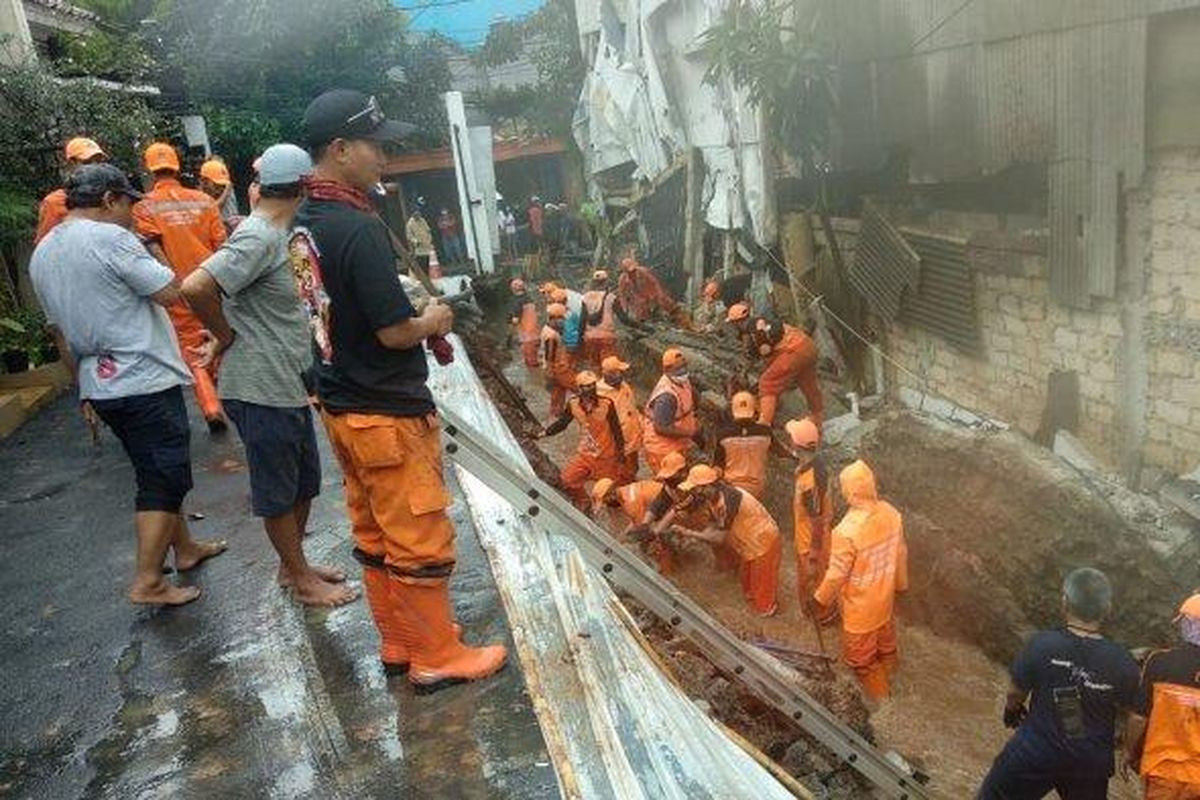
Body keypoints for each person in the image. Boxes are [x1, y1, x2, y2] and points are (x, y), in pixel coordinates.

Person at [289, 88, 506, 690]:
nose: (384, 157)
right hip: (385, 412)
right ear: (339, 149)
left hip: (341, 405)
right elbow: (393, 332)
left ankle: (399, 644)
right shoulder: (356, 229)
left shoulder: (305, 222)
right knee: (419, 537)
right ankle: (437, 655)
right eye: (374, 146)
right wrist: (434, 322)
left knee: (375, 532)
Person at [30, 164, 227, 606]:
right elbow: (169, 291)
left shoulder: (43, 251)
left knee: (151, 467)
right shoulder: (111, 239)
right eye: (127, 204)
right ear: (107, 200)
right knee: (165, 474)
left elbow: (59, 333)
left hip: (99, 381)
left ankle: (186, 548)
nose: (132, 214)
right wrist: (153, 252)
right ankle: (149, 580)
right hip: (141, 377)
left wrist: (81, 385)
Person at [182, 144, 358, 609]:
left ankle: (292, 565)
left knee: (304, 482)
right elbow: (196, 286)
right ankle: (300, 578)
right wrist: (226, 335)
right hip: (259, 386)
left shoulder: (283, 233)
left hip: (286, 382)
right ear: (303, 186)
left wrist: (225, 333)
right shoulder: (257, 235)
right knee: (279, 491)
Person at [979, 568, 1140, 800]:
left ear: (1064, 602)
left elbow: (1015, 692)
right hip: (1088, 762)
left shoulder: (1042, 644)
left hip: (1036, 749)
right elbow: (1132, 710)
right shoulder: (1122, 660)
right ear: (1107, 609)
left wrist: (1012, 711)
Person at [133, 142, 229, 433]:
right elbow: (222, 245)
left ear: (149, 170)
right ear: (177, 166)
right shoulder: (203, 201)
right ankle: (230, 396)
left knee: (191, 348)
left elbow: (152, 246)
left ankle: (212, 407)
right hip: (210, 282)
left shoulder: (143, 206)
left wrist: (172, 279)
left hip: (177, 289)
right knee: (218, 334)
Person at [813, 460, 907, 701]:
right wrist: (901, 584)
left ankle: (886, 704)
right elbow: (900, 552)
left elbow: (836, 574)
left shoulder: (846, 531)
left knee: (861, 662)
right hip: (885, 602)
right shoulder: (892, 513)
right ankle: (896, 679)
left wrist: (819, 599)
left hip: (860, 611)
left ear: (848, 491)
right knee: (886, 648)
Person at [668, 464, 782, 616]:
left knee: (762, 598)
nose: (694, 492)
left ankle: (767, 618)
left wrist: (689, 533)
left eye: (696, 488)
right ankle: (756, 610)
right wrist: (693, 536)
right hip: (748, 543)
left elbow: (719, 538)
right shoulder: (712, 498)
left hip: (763, 543)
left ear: (707, 486)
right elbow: (713, 526)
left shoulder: (730, 499)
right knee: (747, 587)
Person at [1124, 591, 1200, 799]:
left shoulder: (1159, 662)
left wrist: (1129, 753)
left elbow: (1139, 718)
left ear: (1189, 625)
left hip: (1163, 771)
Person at [540, 370, 625, 511]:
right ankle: (585, 501)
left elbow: (617, 431)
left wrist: (621, 454)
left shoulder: (607, 404)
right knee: (566, 481)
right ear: (579, 388)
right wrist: (542, 433)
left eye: (592, 385)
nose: (590, 388)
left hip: (606, 458)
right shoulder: (573, 404)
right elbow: (562, 424)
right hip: (585, 455)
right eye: (586, 386)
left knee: (612, 499)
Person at [735, 308, 823, 427]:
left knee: (767, 383)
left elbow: (764, 355)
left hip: (793, 351)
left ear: (737, 322)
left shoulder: (753, 334)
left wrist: (745, 372)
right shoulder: (764, 320)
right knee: (808, 385)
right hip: (807, 345)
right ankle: (817, 418)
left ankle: (764, 425)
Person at [785, 417, 834, 622]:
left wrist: (813, 556)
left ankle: (823, 616)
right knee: (808, 582)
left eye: (790, 438)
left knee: (813, 581)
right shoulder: (812, 463)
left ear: (796, 444)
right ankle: (814, 612)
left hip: (812, 544)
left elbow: (816, 520)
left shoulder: (810, 482)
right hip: (806, 537)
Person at [35, 137, 107, 244]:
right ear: (70, 164)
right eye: (87, 162)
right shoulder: (54, 202)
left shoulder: (110, 197)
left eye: (98, 162)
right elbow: (45, 245)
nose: (94, 167)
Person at [641, 348, 701, 473]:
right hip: (662, 448)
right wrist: (691, 433)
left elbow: (691, 394)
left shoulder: (681, 380)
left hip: (677, 442)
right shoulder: (667, 397)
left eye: (684, 367)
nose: (683, 371)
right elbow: (661, 428)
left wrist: (695, 416)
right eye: (678, 369)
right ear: (666, 370)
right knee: (670, 480)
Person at [712, 391, 774, 500]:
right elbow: (782, 452)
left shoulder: (723, 435)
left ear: (733, 410)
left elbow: (718, 466)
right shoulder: (766, 432)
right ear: (754, 410)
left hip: (731, 487)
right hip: (757, 488)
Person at [597, 355, 641, 481]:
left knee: (633, 469)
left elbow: (632, 407)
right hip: (618, 446)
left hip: (632, 441)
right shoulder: (599, 396)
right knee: (620, 476)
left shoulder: (624, 386)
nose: (622, 374)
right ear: (609, 374)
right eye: (619, 372)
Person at [590, 476, 665, 539]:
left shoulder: (630, 503)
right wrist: (623, 535)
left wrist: (625, 540)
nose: (606, 504)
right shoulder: (626, 490)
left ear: (611, 494)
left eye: (605, 501)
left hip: (670, 507)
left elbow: (642, 527)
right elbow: (635, 520)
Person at [616, 255, 680, 324]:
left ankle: (676, 314)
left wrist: (659, 293)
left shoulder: (643, 272)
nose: (633, 273)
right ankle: (645, 322)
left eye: (634, 270)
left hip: (650, 292)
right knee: (640, 308)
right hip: (638, 296)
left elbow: (654, 282)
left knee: (663, 300)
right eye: (630, 272)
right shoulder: (622, 279)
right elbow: (622, 295)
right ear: (625, 271)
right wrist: (624, 308)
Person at [541, 302, 575, 419]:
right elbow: (549, 355)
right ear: (553, 318)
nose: (564, 322)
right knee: (579, 389)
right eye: (562, 319)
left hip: (554, 368)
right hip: (559, 368)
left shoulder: (547, 329)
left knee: (557, 394)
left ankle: (555, 416)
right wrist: (550, 373)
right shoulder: (551, 336)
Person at [580, 269, 620, 367]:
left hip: (589, 337)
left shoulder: (585, 297)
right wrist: (642, 327)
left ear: (593, 282)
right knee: (609, 366)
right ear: (606, 281)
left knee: (594, 366)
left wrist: (580, 339)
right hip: (607, 337)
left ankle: (597, 381)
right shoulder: (611, 297)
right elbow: (624, 318)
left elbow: (582, 320)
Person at [199, 157, 241, 229]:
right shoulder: (199, 197)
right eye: (217, 184)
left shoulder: (226, 185)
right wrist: (226, 192)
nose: (220, 188)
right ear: (204, 181)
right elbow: (214, 208)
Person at [509, 278, 540, 369]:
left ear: (513, 289)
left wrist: (510, 326)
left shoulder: (517, 302)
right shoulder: (529, 298)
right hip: (534, 332)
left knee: (530, 362)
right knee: (534, 357)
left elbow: (515, 320)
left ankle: (534, 380)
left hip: (526, 335)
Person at [406, 207, 434, 273]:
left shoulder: (422, 220)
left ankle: (427, 277)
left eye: (419, 213)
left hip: (426, 245)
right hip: (419, 247)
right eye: (416, 213)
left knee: (427, 264)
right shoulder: (410, 223)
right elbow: (409, 236)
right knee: (421, 265)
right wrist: (415, 241)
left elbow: (428, 230)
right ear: (413, 214)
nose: (418, 215)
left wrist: (429, 239)